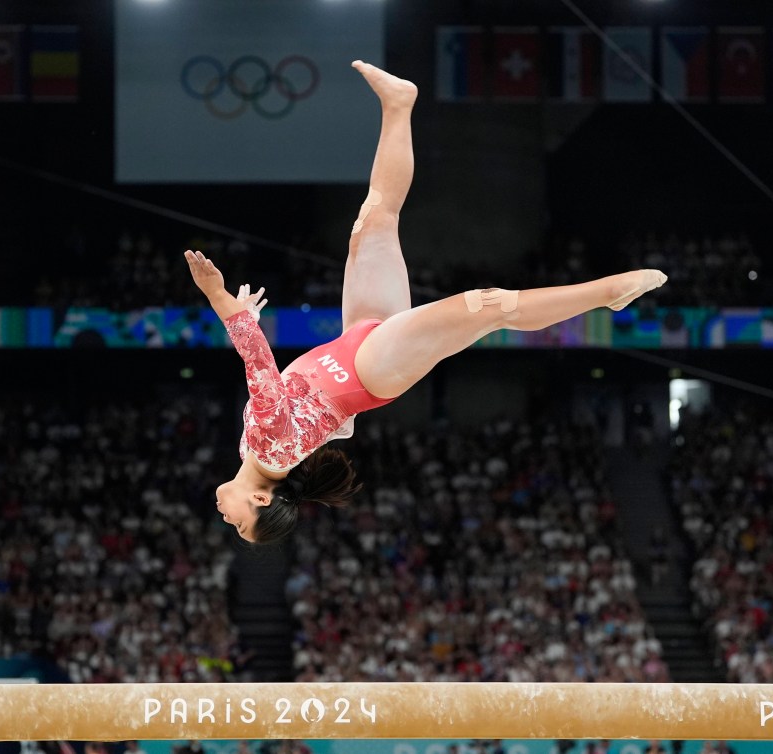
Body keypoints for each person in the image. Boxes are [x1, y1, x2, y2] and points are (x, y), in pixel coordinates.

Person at [186, 61, 667, 544]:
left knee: (373, 220)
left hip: (353, 347)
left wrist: (334, 417)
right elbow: (260, 368)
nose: (226, 519)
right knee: (485, 308)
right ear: (262, 500)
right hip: (369, 368)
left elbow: (311, 414)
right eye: (239, 523)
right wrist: (221, 299)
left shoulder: (257, 451)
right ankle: (608, 293)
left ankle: (398, 104)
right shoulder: (270, 452)